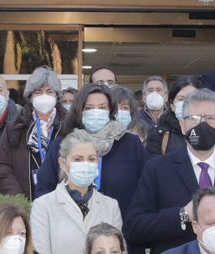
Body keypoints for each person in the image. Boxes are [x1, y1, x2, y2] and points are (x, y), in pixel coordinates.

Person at [125, 89, 215, 254]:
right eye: (194, 118)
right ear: (182, 125)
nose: (202, 125)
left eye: (210, 118)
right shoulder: (157, 169)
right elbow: (134, 228)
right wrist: (182, 215)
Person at [32, 83, 148, 211]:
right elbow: (44, 189)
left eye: (102, 107)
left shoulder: (130, 144)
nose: (96, 112)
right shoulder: (61, 145)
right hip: (71, 220)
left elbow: (145, 188)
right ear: (79, 111)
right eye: (89, 108)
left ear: (111, 111)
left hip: (121, 220)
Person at [0, 66, 63, 197]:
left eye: (49, 91)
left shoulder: (69, 127)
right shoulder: (15, 127)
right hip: (26, 201)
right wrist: (18, 198)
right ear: (30, 96)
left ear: (56, 95)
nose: (44, 96)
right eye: (38, 92)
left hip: (61, 202)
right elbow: (2, 166)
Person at [136, 75, 172, 155]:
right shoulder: (135, 119)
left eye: (159, 90)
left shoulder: (174, 119)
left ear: (166, 97)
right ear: (144, 97)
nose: (154, 93)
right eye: (150, 90)